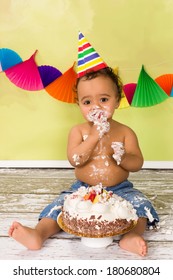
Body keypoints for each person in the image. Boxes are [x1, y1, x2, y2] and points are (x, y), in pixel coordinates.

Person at [8, 67, 159, 256]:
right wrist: (94, 136)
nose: (96, 107)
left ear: (117, 101)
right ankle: (39, 233)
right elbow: (75, 160)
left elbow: (137, 163)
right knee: (58, 206)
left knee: (141, 205)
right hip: (83, 188)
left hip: (120, 188)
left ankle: (131, 236)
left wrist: (123, 158)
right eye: (87, 101)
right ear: (79, 104)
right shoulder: (79, 131)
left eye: (103, 99)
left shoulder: (125, 132)